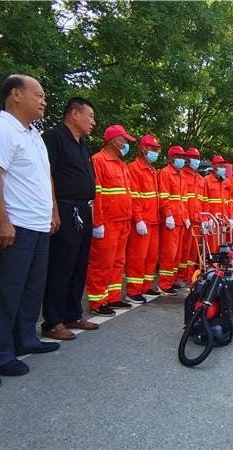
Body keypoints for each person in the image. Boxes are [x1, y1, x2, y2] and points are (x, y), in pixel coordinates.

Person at [0, 74, 58, 377]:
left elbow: (45, 176)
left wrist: (52, 210)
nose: (43, 101)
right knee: (5, 290)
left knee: (31, 288)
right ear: (15, 95)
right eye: (38, 95)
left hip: (38, 224)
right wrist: (1, 221)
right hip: (15, 224)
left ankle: (25, 338)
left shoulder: (34, 134)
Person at [40, 98, 100, 340]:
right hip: (65, 208)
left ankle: (72, 314)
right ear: (74, 114)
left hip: (83, 210)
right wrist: (53, 210)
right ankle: (53, 321)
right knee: (61, 266)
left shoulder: (82, 144)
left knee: (78, 266)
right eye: (90, 116)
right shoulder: (54, 137)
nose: (93, 122)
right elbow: (46, 174)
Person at [86, 125, 136, 316]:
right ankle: (98, 301)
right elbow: (96, 194)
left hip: (123, 220)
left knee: (117, 261)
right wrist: (97, 222)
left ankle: (113, 297)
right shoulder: (98, 160)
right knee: (102, 262)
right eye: (124, 140)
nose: (126, 144)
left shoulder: (121, 165)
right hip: (107, 222)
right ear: (114, 140)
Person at [124, 135, 163, 304]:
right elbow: (134, 197)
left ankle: (146, 287)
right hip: (142, 221)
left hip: (153, 220)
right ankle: (133, 291)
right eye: (153, 149)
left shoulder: (152, 170)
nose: (156, 153)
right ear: (143, 149)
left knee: (151, 256)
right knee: (137, 257)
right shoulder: (134, 169)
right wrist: (138, 219)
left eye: (157, 150)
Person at [157, 146, 189, 295]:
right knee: (168, 254)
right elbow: (164, 197)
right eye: (179, 156)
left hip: (180, 220)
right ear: (171, 158)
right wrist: (168, 215)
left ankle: (171, 280)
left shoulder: (181, 175)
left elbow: (184, 200)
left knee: (177, 254)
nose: (182, 159)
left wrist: (186, 217)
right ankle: (164, 284)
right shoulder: (165, 173)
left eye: (183, 157)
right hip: (171, 220)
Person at [178, 147, 206, 285]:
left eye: (198, 158)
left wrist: (204, 219)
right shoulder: (181, 174)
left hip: (196, 221)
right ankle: (179, 277)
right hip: (185, 220)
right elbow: (180, 198)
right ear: (187, 160)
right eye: (194, 158)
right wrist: (185, 215)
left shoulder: (200, 179)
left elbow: (204, 201)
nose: (197, 161)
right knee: (182, 251)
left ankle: (189, 276)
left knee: (192, 253)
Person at [202, 155, 231, 251]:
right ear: (213, 166)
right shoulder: (206, 180)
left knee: (223, 248)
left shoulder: (225, 182)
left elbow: (227, 202)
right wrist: (207, 219)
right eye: (220, 165)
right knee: (212, 248)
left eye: (223, 165)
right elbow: (204, 200)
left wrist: (229, 218)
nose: (222, 167)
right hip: (212, 221)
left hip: (222, 222)